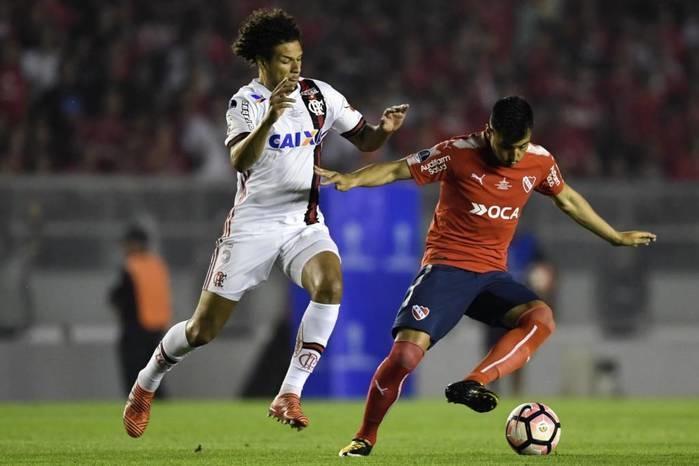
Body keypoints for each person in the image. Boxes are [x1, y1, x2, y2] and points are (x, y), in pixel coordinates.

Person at [315, 96, 656, 457]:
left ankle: (473, 383)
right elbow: (399, 169)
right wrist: (351, 179)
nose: (514, 156)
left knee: (540, 318)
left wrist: (614, 236)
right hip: (445, 270)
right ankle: (365, 436)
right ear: (489, 132)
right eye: (508, 147)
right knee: (404, 359)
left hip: (492, 276)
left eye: (521, 146)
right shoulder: (457, 152)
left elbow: (567, 199)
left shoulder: (539, 161)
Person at [122, 8, 408, 438]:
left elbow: (364, 139)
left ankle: (289, 392)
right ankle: (146, 383)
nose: (295, 67)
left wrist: (383, 130)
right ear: (263, 61)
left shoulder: (320, 96)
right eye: (285, 60)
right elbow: (240, 158)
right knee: (202, 331)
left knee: (330, 283)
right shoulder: (246, 103)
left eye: (299, 58)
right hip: (252, 227)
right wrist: (272, 117)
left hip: (302, 222)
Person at [484, 230, 556, 395]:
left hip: (521, 305)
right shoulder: (492, 241)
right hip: (495, 303)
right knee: (493, 348)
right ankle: (492, 390)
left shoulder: (529, 243)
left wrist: (545, 288)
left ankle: (516, 391)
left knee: (518, 348)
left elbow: (545, 269)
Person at [109, 225, 172, 398]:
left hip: (135, 328)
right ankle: (162, 409)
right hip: (157, 328)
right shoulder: (157, 265)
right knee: (154, 376)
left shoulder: (132, 267)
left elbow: (121, 295)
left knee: (134, 375)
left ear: (134, 244)